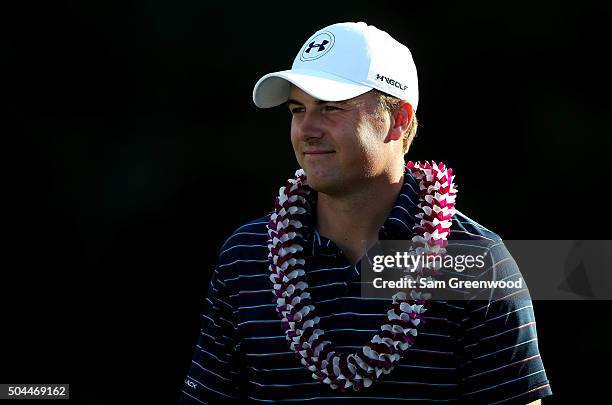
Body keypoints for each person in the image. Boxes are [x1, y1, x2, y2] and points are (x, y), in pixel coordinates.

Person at [179, 22, 553, 404]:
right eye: (297, 109)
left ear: (399, 120)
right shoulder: (246, 255)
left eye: (331, 108)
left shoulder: (476, 260)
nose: (306, 129)